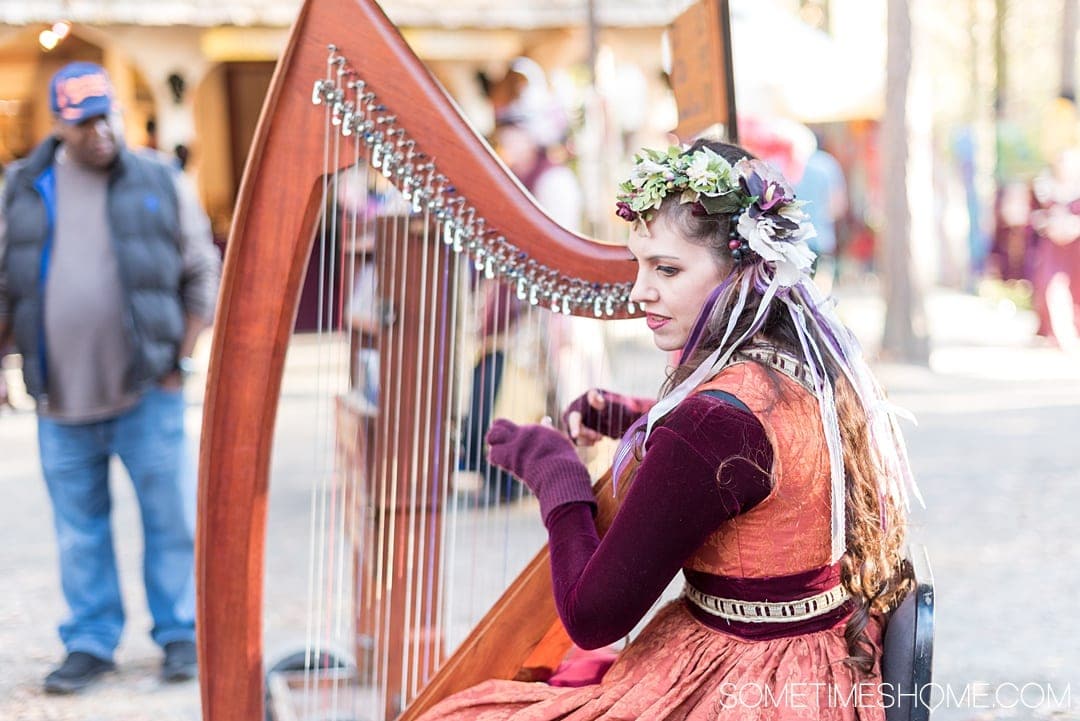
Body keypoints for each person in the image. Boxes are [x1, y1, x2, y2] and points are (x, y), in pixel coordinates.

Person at [419, 140, 918, 720]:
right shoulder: (803, 363)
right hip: (821, 659)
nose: (639, 292)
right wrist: (638, 416)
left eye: (667, 268)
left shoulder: (710, 429)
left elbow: (593, 617)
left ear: (743, 273)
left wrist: (554, 470)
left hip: (751, 685)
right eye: (639, 265)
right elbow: (767, 455)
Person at [0, 62, 221, 693]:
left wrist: (180, 357)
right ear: (60, 126)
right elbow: (2, 283)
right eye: (83, 122)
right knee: (78, 530)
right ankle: (91, 641)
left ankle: (180, 632)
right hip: (59, 398)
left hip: (147, 390)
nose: (99, 132)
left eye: (106, 115)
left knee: (170, 519)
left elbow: (200, 269)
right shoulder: (23, 185)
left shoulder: (158, 176)